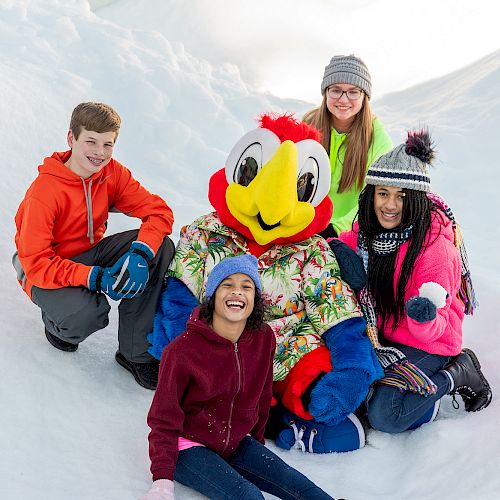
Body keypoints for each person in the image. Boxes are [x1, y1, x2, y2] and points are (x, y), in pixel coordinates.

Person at [142, 255, 334, 499]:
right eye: (227, 285)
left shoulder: (263, 339)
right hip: (188, 447)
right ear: (212, 296)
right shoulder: (182, 351)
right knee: (250, 497)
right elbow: (163, 419)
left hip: (235, 441)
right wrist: (162, 481)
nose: (237, 292)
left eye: (246, 286)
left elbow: (262, 397)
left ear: (255, 298)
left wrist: (256, 444)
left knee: (300, 487)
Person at [338, 129, 492, 433]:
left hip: (431, 342)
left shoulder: (434, 248)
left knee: (385, 415)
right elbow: (340, 247)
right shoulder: (365, 235)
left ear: (417, 200)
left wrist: (422, 317)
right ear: (371, 195)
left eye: (402, 196)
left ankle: (460, 373)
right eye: (383, 193)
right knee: (349, 391)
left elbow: (440, 327)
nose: (390, 205)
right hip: (385, 338)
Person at [13, 101, 175, 390]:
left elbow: (158, 211)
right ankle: (58, 324)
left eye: (107, 144)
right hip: (43, 268)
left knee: (160, 247)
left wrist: (140, 252)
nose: (99, 153)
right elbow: (37, 262)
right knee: (89, 314)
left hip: (90, 255)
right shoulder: (45, 192)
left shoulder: (111, 174)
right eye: (91, 141)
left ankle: (135, 353)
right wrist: (94, 278)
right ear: (71, 138)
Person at [303, 54, 393, 236]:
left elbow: (377, 196)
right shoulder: (307, 125)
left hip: (351, 233)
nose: (343, 100)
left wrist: (335, 229)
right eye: (336, 90)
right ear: (326, 92)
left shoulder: (377, 139)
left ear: (364, 96)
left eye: (353, 92)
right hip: (302, 224)